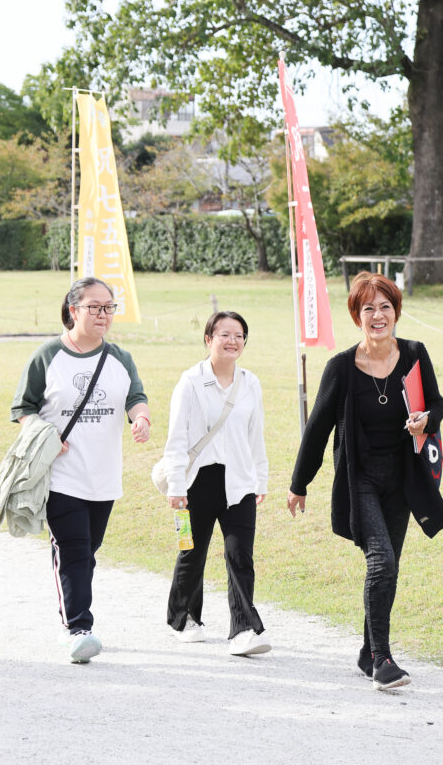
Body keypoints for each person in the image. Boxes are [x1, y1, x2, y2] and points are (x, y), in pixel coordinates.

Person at [288, 271, 443, 690]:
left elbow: (437, 403)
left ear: (396, 311)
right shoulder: (341, 367)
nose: (378, 315)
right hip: (361, 479)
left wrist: (427, 419)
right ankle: (382, 658)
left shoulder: (414, 352)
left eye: (385, 306)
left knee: (388, 568)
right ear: (357, 315)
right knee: (382, 561)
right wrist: (299, 483)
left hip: (404, 479)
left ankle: (366, 650)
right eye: (368, 308)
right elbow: (318, 426)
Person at [11, 277, 150, 663]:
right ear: (74, 310)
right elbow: (22, 408)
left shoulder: (120, 358)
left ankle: (71, 614)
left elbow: (136, 397)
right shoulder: (47, 356)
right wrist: (45, 433)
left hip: (104, 476)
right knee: (73, 549)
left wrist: (141, 419)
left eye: (109, 307)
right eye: (95, 307)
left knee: (88, 551)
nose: (104, 315)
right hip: (61, 474)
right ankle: (78, 627)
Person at [160, 311, 270, 656]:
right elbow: (176, 439)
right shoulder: (190, 381)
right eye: (224, 334)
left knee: (240, 555)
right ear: (209, 339)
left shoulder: (250, 383)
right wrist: (176, 486)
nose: (232, 341)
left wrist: (260, 478)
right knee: (192, 552)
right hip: (197, 482)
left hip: (239, 481)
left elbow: (257, 437)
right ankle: (183, 617)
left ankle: (244, 630)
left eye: (239, 335)